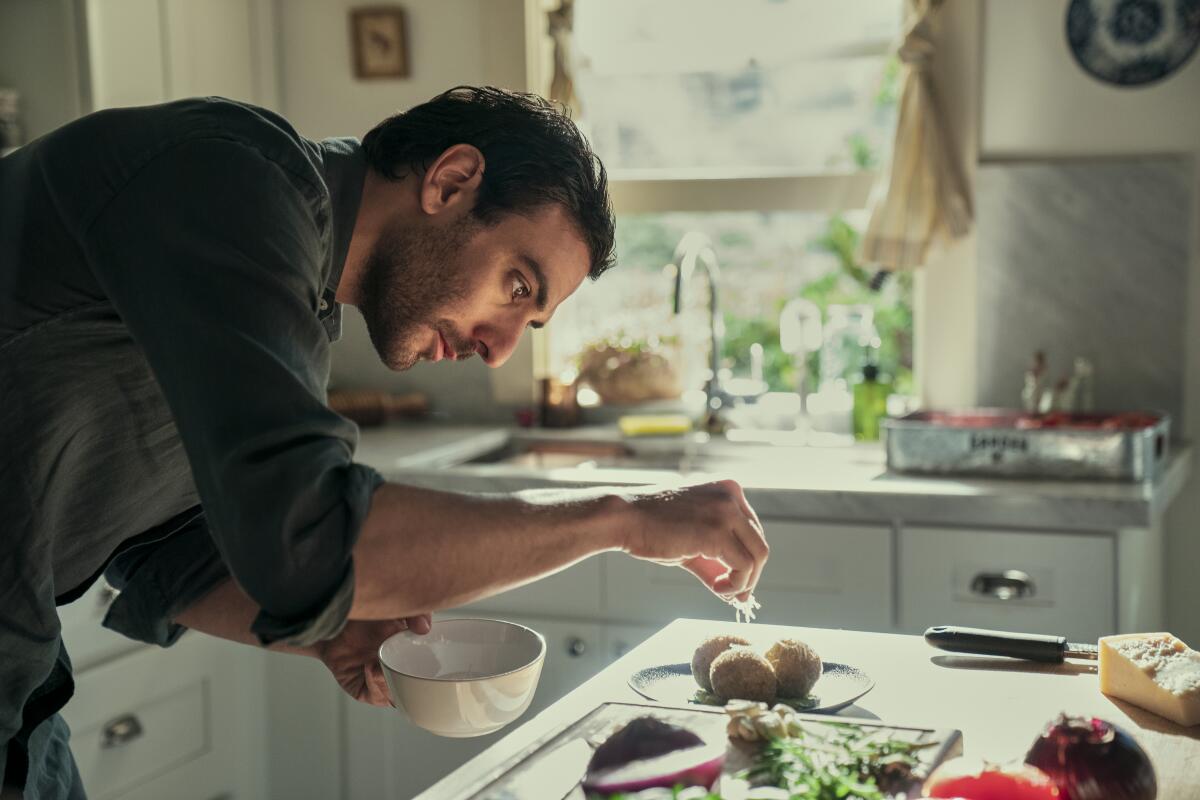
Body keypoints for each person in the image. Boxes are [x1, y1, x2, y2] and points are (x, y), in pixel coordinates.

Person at [0, 86, 769, 799]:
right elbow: (309, 542)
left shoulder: (296, 291)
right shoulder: (230, 175)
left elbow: (166, 545)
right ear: (450, 181)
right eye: (517, 286)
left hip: (23, 696)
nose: (501, 349)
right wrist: (621, 519)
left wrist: (338, 628)